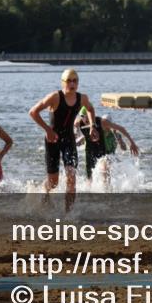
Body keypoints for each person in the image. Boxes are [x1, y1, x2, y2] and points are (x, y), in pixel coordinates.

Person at [29, 68, 96, 212]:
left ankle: (68, 213)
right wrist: (48, 129)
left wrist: (92, 126)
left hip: (69, 140)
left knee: (71, 176)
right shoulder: (55, 97)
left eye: (75, 81)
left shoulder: (82, 98)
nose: (72, 84)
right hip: (52, 140)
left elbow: (90, 109)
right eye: (69, 81)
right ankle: (44, 193)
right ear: (63, 82)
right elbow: (33, 112)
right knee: (53, 183)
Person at [75, 107, 139, 187]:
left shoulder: (102, 123)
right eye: (84, 118)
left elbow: (121, 129)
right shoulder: (79, 123)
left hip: (104, 153)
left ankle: (107, 191)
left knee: (104, 170)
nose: (86, 121)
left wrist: (132, 143)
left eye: (88, 118)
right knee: (89, 180)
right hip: (89, 152)